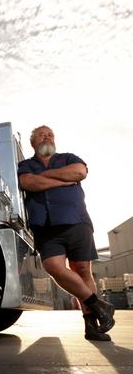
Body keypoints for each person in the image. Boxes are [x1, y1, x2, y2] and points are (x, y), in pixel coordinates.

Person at [18, 125, 114, 341]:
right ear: (33, 142)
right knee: (53, 267)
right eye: (42, 135)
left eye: (50, 134)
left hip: (77, 221)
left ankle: (92, 327)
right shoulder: (25, 165)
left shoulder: (68, 157)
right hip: (45, 225)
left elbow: (79, 172)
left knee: (82, 269)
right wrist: (62, 180)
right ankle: (98, 305)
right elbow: (29, 182)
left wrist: (46, 176)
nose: (47, 137)